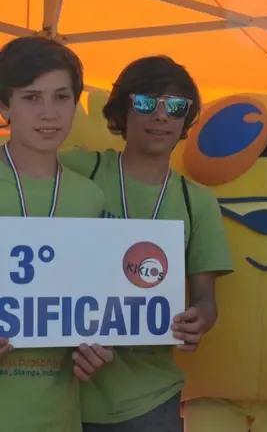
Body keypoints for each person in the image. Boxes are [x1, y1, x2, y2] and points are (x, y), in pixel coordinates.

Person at [59, 56, 234, 432]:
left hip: (150, 401)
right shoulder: (76, 169)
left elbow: (206, 299)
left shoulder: (196, 201)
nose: (160, 116)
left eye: (175, 107)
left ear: (186, 119)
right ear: (123, 110)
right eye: (145, 102)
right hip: (62, 393)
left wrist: (198, 320)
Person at [0, 36, 112, 431]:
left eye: (61, 97)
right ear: (4, 106)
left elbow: (98, 300)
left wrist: (100, 347)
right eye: (31, 98)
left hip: (58, 417)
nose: (49, 113)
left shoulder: (89, 197)